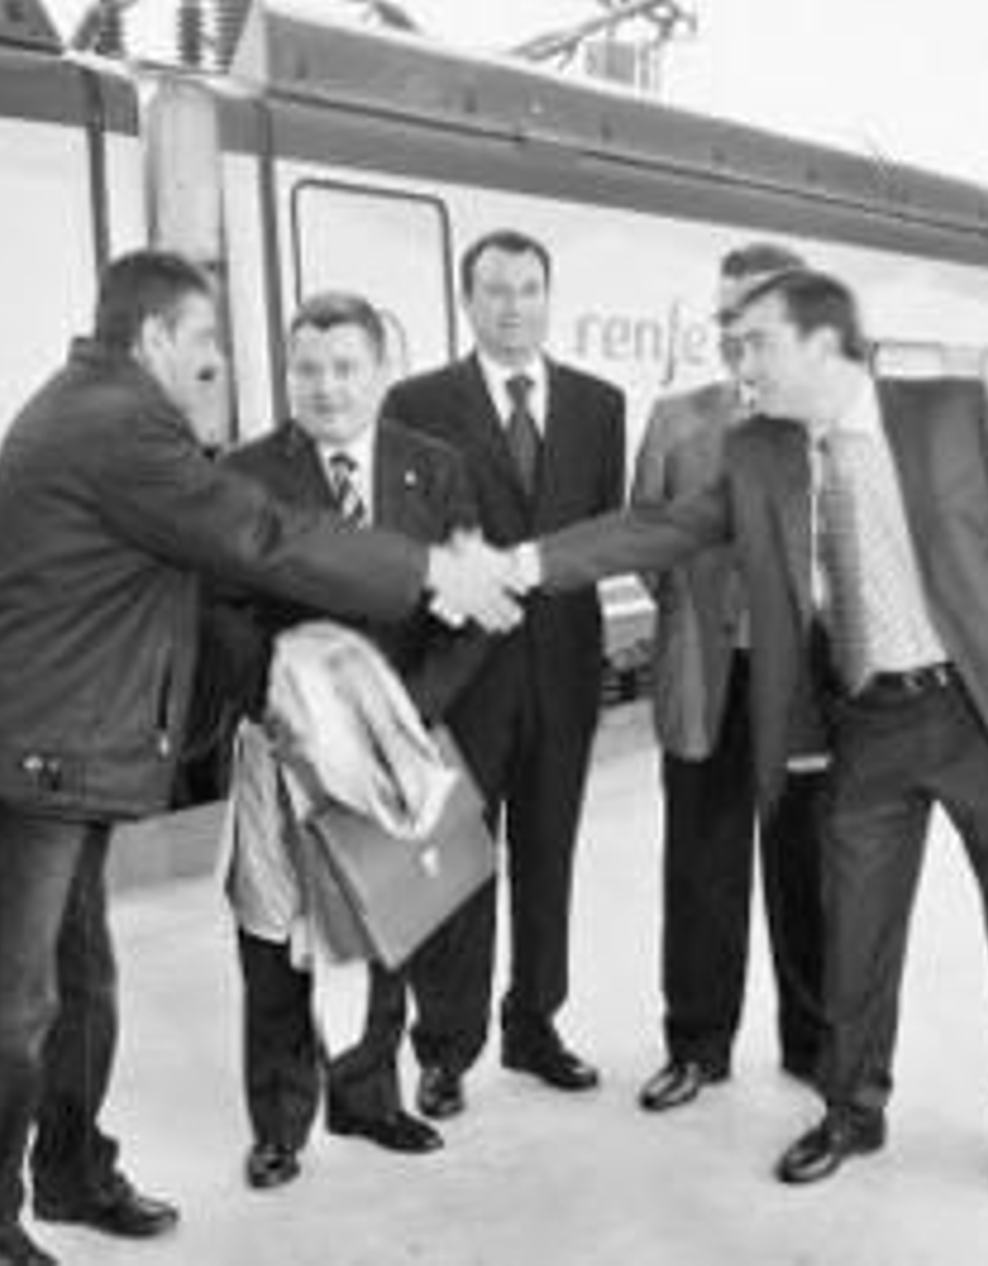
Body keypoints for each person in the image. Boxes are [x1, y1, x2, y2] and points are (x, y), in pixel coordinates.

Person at [0, 250, 518, 1266]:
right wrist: (429, 569)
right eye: (204, 340)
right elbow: (261, 536)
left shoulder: (92, 409)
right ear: (156, 334)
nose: (214, 360)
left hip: (62, 746)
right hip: (40, 750)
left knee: (77, 986)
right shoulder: (121, 425)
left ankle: (70, 1172)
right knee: (14, 1003)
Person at [518, 267, 988, 1188]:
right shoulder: (759, 450)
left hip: (979, 711)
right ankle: (851, 1111)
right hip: (868, 722)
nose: (741, 360)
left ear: (821, 342)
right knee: (855, 937)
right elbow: (662, 528)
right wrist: (527, 563)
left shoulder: (952, 413)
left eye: (757, 341)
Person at [206, 292, 486, 1189]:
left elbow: (472, 606)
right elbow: (219, 608)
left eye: (344, 367)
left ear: (381, 371)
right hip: (283, 746)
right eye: (307, 369)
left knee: (384, 920)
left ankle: (369, 1099)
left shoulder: (435, 469)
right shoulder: (244, 473)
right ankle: (279, 1124)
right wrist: (288, 704)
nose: (325, 387)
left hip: (391, 746)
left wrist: (403, 711)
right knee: (273, 938)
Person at [383, 229, 626, 1119]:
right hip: (464, 679)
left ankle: (535, 1025)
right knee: (457, 867)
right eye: (495, 289)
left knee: (549, 856)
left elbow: (600, 535)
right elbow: (407, 539)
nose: (513, 305)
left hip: (564, 669)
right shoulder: (418, 402)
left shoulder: (599, 405)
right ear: (467, 299)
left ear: (548, 297)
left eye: (528, 288)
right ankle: (446, 1049)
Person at [631, 243, 827, 1114]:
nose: (732, 331)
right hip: (704, 677)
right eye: (723, 316)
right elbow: (646, 545)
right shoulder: (676, 421)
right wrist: (703, 619)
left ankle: (814, 1045)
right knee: (699, 872)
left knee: (806, 869)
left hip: (805, 687)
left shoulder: (831, 424)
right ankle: (696, 1047)